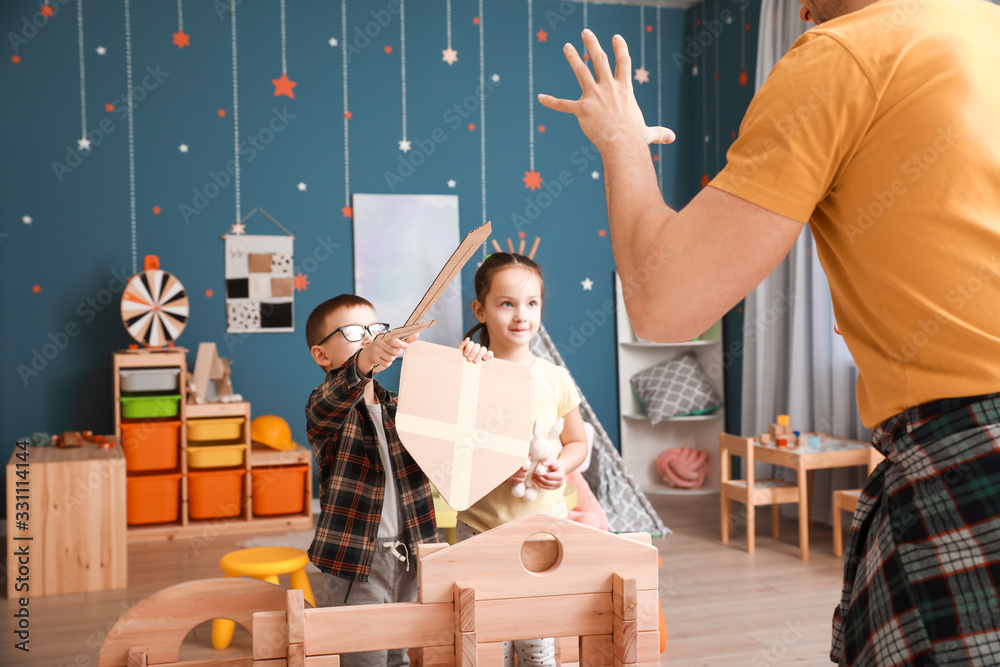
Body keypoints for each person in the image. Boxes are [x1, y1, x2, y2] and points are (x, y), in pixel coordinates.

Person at [538, 0, 1000, 662]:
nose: (804, 10)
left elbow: (665, 303)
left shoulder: (844, 53)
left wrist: (621, 140)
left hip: (973, 448)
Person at [456, 252, 589, 667]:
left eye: (532, 303)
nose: (521, 316)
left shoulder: (555, 377)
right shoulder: (468, 370)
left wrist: (559, 468)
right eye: (506, 303)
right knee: (486, 642)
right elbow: (449, 449)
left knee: (537, 643)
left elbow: (577, 443)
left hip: (542, 532)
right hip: (480, 528)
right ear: (480, 309)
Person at [304, 294, 438, 667]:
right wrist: (366, 359)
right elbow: (331, 400)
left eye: (375, 330)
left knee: (399, 654)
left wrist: (467, 364)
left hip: (409, 553)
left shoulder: (400, 405)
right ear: (322, 355)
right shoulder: (323, 408)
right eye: (353, 332)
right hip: (356, 558)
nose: (368, 338)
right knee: (364, 656)